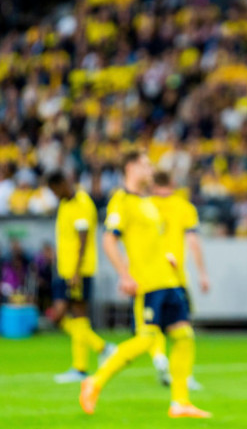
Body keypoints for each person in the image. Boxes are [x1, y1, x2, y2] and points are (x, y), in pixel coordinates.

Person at [79, 150, 210, 418]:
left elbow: (150, 242)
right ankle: (95, 381)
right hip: (148, 284)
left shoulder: (146, 202)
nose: (151, 169)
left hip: (169, 279)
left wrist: (168, 258)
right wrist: (125, 275)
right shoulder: (121, 201)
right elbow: (108, 240)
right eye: (145, 165)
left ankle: (180, 402)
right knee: (146, 339)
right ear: (130, 167)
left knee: (184, 337)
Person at [46, 170, 115, 383]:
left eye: (54, 190)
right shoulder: (65, 205)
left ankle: (81, 367)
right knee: (60, 317)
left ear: (64, 184)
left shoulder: (82, 203)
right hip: (64, 269)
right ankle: (101, 348)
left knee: (77, 315)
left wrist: (76, 271)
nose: (54, 195)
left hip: (79, 271)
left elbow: (83, 240)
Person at [148, 170, 210, 390]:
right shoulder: (184, 207)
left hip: (148, 277)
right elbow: (193, 242)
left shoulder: (145, 206)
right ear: (173, 183)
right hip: (176, 278)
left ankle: (158, 357)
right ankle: (184, 375)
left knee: (150, 326)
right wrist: (202, 274)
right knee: (183, 328)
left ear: (152, 183)